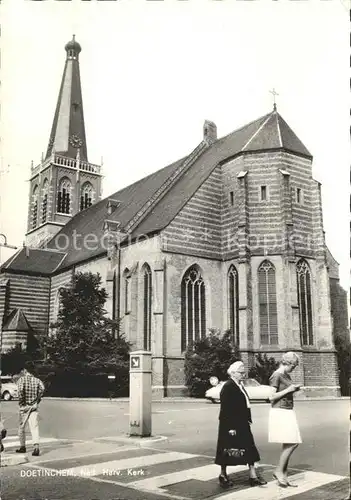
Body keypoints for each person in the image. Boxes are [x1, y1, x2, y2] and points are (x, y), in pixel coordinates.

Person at [214, 361, 267, 488]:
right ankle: (222, 475)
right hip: (231, 425)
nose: (243, 374)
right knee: (227, 450)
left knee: (249, 447)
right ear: (233, 373)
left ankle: (253, 476)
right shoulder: (228, 386)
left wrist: (248, 418)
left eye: (244, 372)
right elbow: (226, 409)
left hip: (242, 423)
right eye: (240, 372)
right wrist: (231, 428)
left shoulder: (239, 385)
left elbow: (245, 403)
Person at [268, 351, 302, 487]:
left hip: (287, 410)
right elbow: (271, 397)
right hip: (280, 411)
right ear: (288, 363)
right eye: (293, 366)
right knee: (293, 442)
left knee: (289, 443)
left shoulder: (285, 375)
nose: (294, 369)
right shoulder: (276, 375)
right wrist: (289, 390)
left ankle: (284, 476)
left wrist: (293, 390)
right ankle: (278, 471)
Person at [15, 363, 45, 457]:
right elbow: (42, 389)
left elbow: (20, 392)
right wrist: (37, 400)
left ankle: (22, 446)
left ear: (25, 370)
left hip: (24, 406)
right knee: (34, 427)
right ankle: (36, 447)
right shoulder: (37, 380)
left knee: (21, 427)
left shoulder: (21, 379)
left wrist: (22, 403)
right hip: (34, 406)